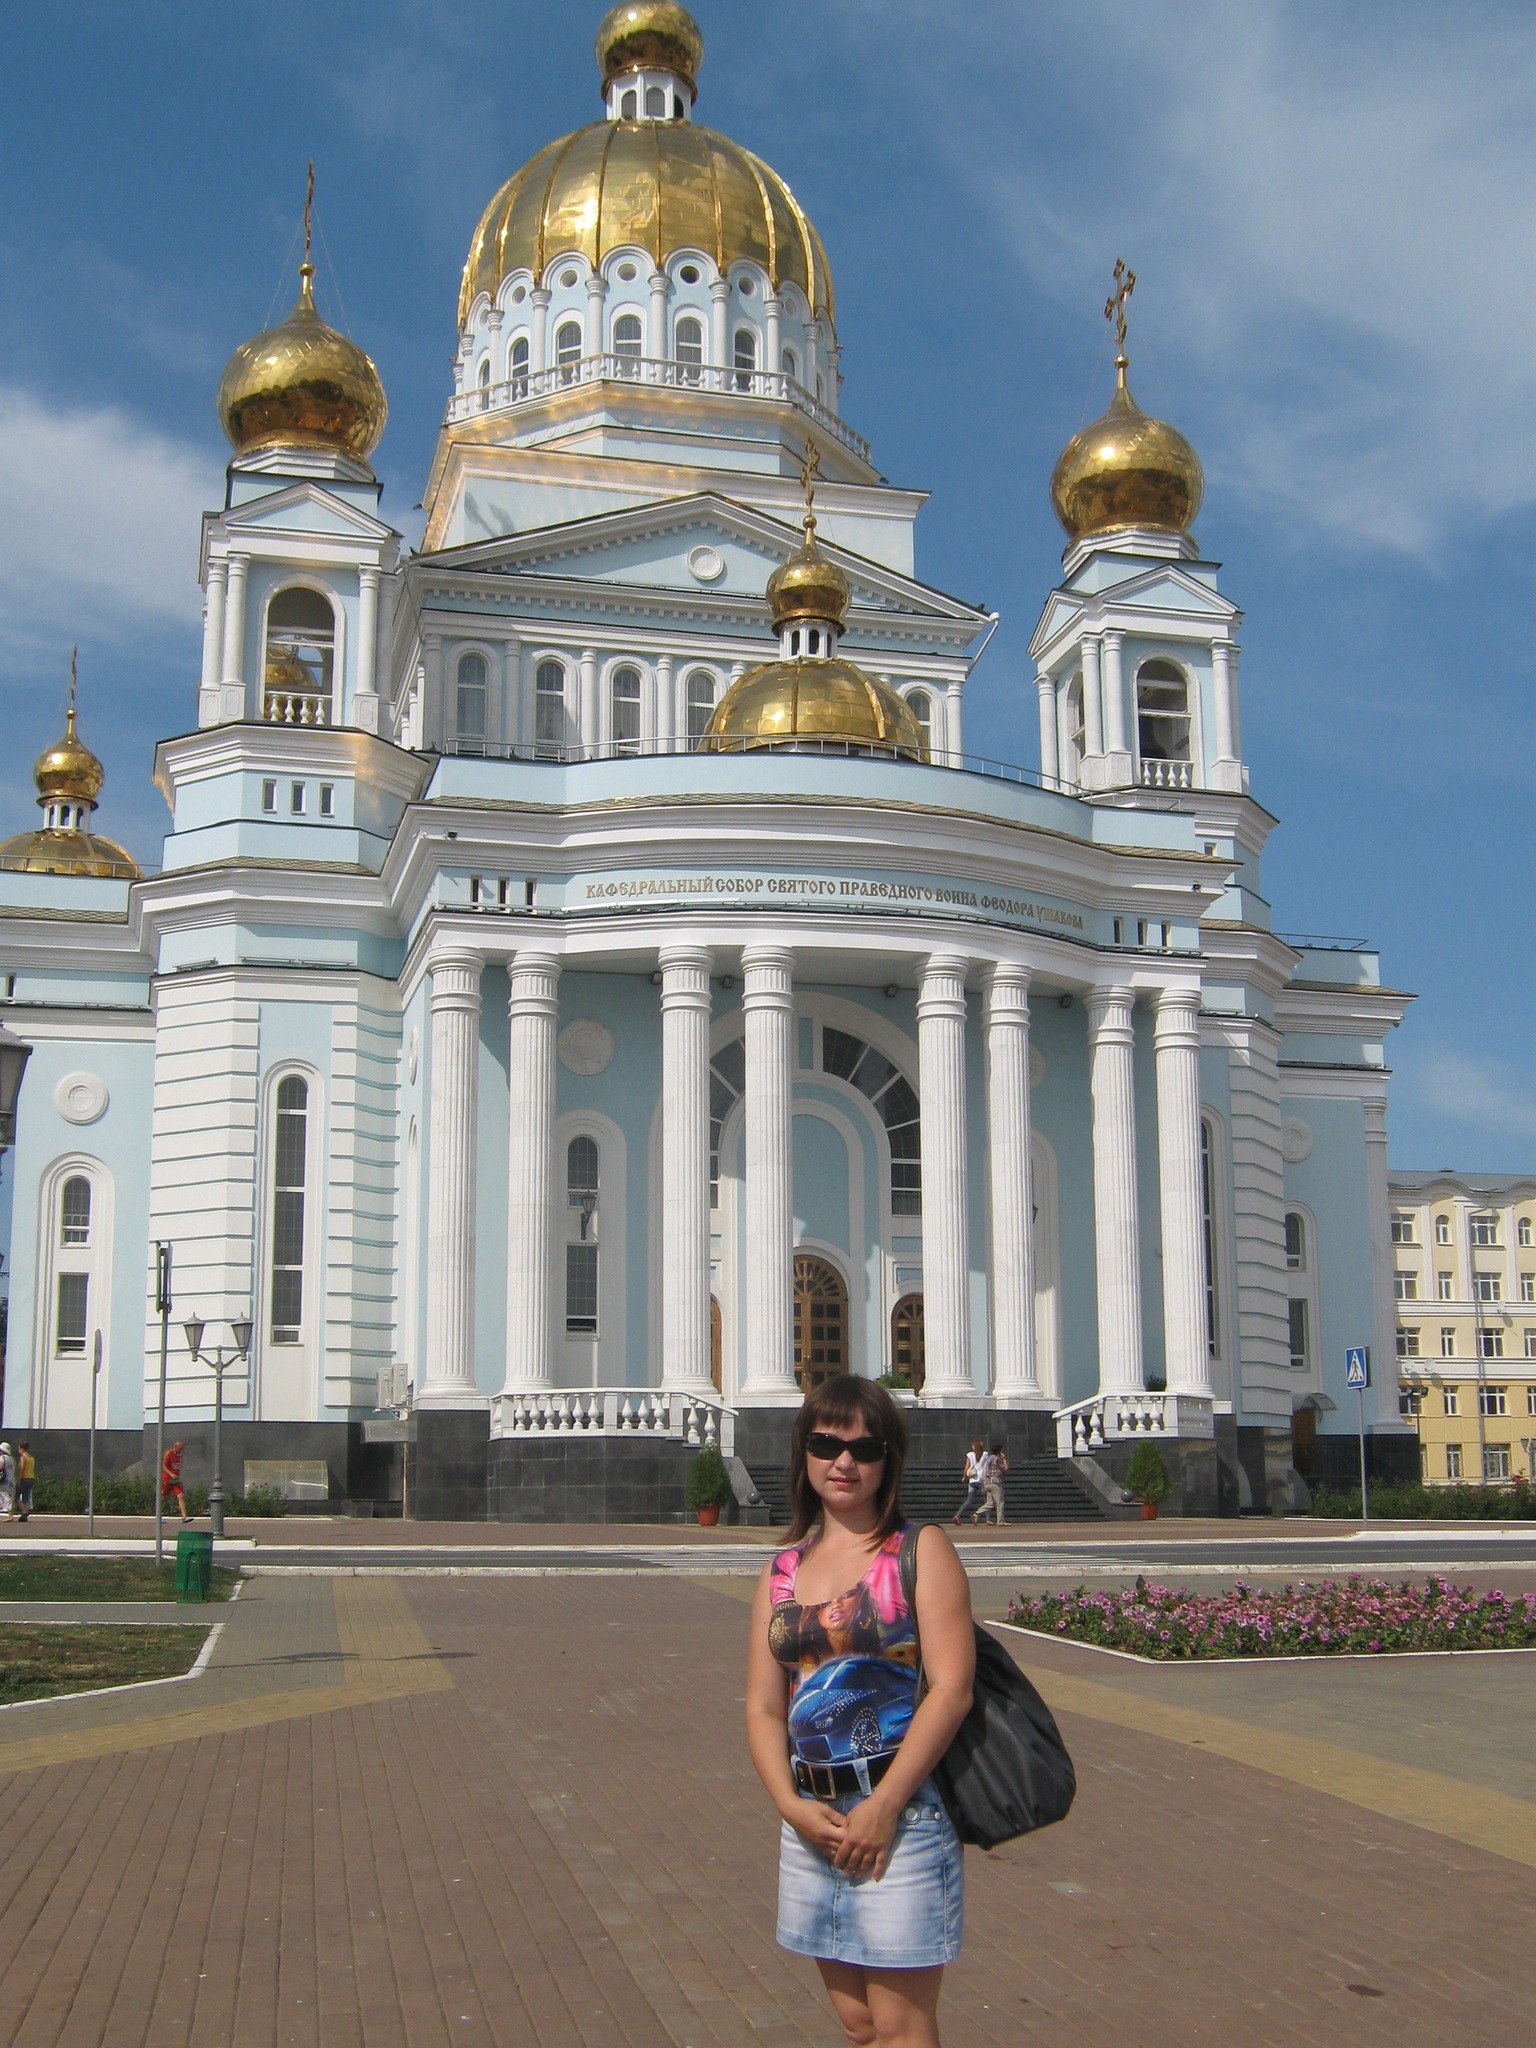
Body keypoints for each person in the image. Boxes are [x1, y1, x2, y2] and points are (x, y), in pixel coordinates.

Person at [747, 1376, 975, 2048]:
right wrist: (789, 1806)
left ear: (887, 1460)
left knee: (902, 2027)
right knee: (860, 2025)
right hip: (812, 1822)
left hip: (899, 1816)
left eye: (864, 1448)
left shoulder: (918, 1551)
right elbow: (764, 1706)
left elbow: (952, 1689)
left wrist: (884, 1806)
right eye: (826, 1445)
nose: (843, 1462)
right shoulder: (783, 1571)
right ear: (804, 1453)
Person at [951, 1439, 987, 1525]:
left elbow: (966, 1468)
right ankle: (987, 1519)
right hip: (982, 1479)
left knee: (968, 1501)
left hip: (972, 1480)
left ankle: (957, 1516)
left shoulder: (970, 1455)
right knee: (987, 1501)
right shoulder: (985, 1454)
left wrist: (964, 1477)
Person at [161, 1440, 190, 1523]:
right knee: (162, 1496)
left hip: (175, 1480)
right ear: (176, 1447)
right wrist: (171, 1474)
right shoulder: (169, 1453)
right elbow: (163, 1466)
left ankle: (184, 1517)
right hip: (167, 1478)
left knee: (180, 1495)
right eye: (180, 1448)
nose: (181, 1450)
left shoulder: (179, 1456)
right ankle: (159, 1516)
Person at [14, 1442, 34, 1523]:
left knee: (16, 1496)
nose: (18, 1451)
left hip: (24, 1478)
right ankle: (26, 1511)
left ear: (22, 1449)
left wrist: (19, 1480)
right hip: (31, 1478)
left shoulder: (23, 1457)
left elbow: (22, 1469)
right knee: (26, 1497)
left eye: (19, 1449)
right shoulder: (31, 1457)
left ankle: (24, 1512)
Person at [0, 1444, 14, 1521]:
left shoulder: (2, 1458)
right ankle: (10, 1513)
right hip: (11, 1479)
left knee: (5, 1496)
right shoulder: (11, 1459)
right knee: (8, 1496)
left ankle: (10, 1515)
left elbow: (1, 1467)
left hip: (3, 1480)